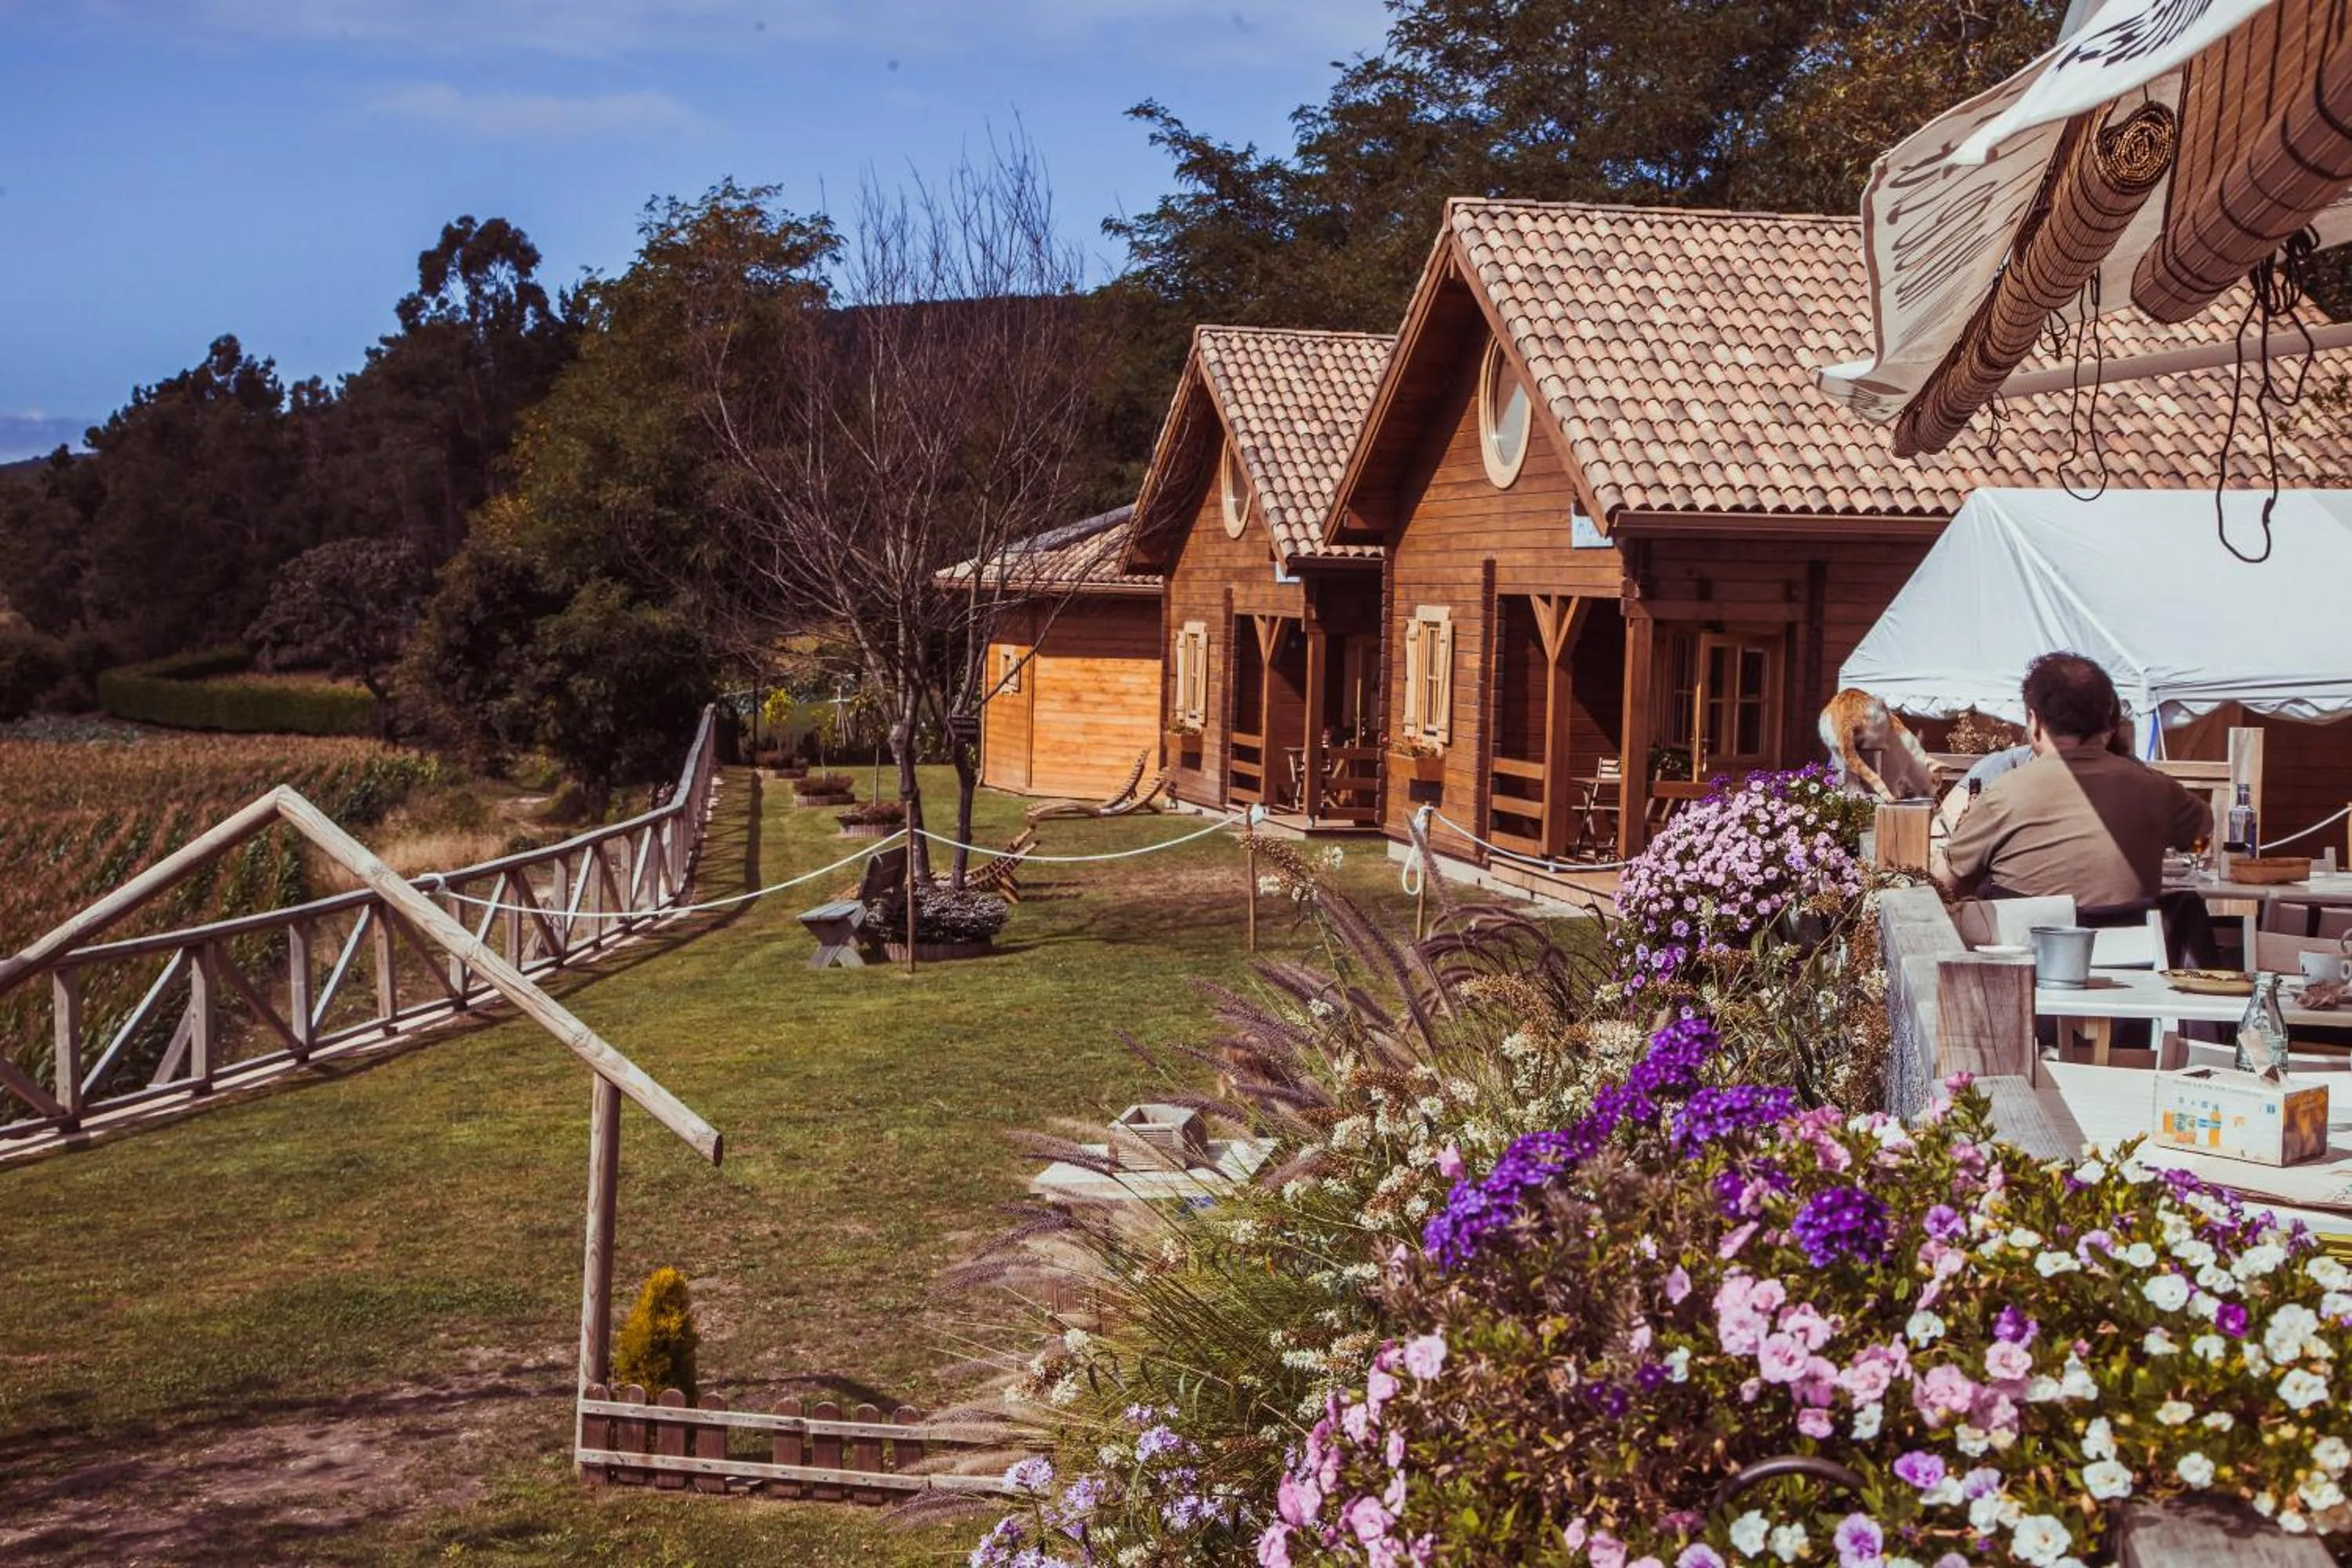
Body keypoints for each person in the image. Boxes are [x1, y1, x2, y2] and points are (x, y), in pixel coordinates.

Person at [1936, 652, 2210, 908]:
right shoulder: (2156, 789)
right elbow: (2202, 832)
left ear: (2033, 720)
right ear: (2108, 723)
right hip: (2133, 953)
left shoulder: (2002, 793)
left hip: (2030, 952)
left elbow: (1943, 884)